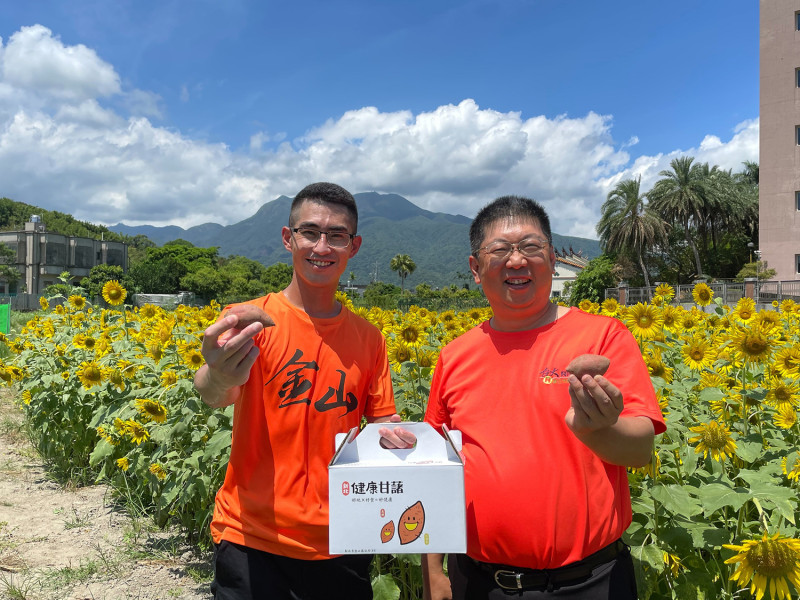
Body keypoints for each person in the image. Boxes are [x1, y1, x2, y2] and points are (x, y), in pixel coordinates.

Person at [420, 195, 666, 599]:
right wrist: (434, 572)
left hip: (589, 581)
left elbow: (640, 450)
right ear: (475, 268)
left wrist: (601, 428)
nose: (516, 261)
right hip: (481, 582)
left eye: (531, 247)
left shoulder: (604, 337)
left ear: (552, 259)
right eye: (499, 250)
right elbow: (436, 471)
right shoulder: (454, 356)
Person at [194, 182, 413, 600]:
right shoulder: (252, 321)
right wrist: (218, 375)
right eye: (310, 232)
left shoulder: (369, 339)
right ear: (287, 238)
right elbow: (215, 390)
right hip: (251, 536)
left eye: (337, 236)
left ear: (355, 246)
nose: (322, 246)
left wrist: (400, 440)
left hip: (342, 537)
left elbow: (382, 418)